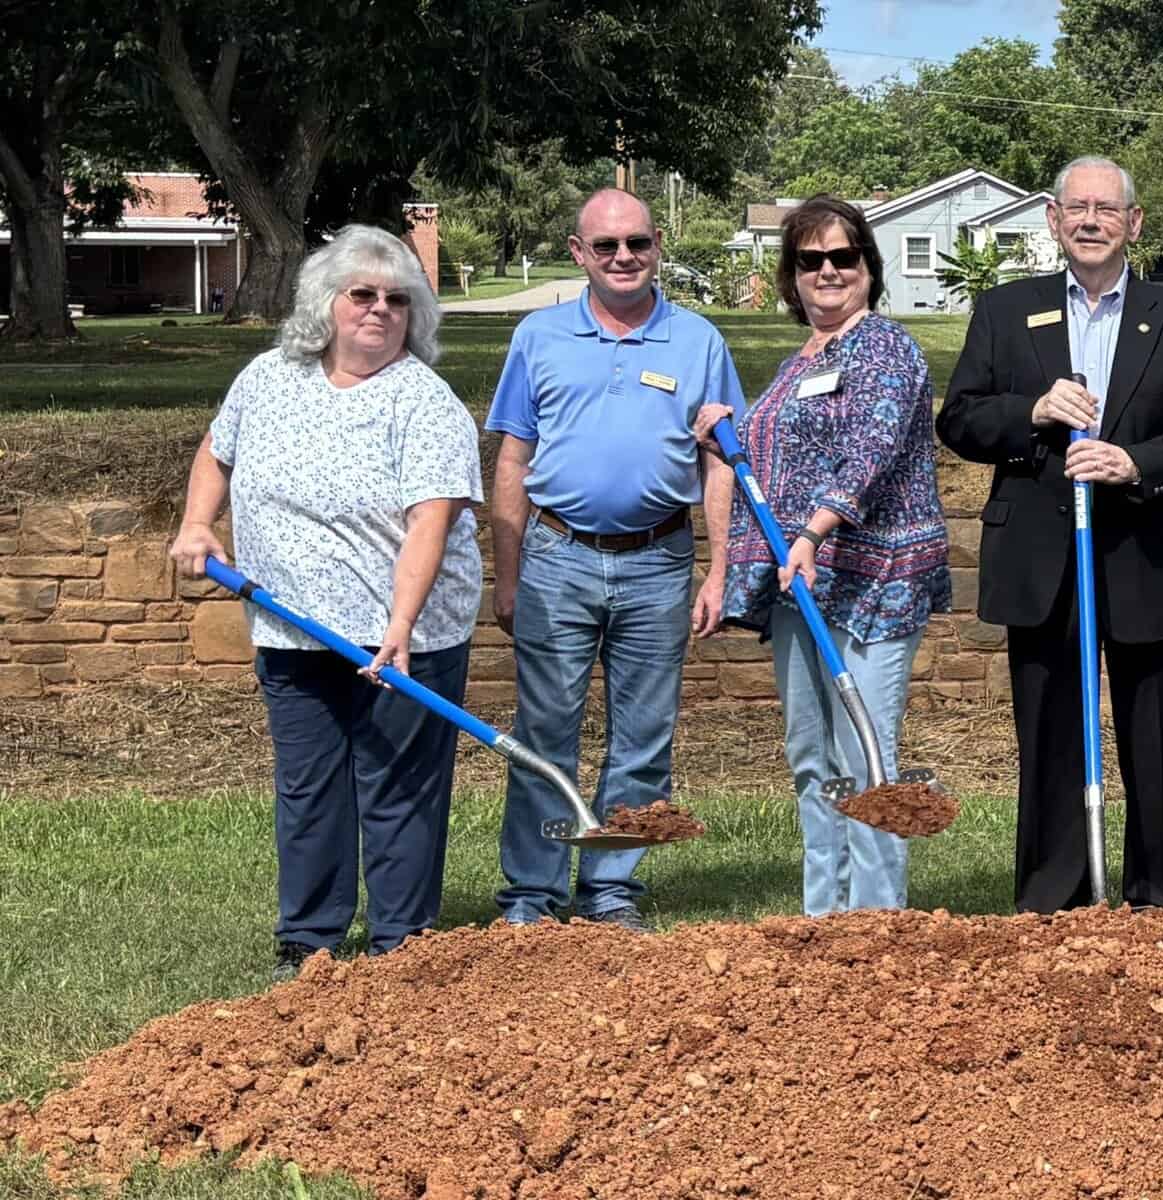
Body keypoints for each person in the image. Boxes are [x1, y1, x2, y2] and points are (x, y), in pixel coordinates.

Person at [167, 226, 482, 982]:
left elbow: (429, 523)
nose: (380, 310)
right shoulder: (269, 377)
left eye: (397, 299)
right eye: (362, 295)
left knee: (398, 788)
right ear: (326, 305)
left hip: (404, 636)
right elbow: (218, 447)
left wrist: (399, 628)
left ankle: (400, 947)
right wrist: (195, 522)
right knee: (308, 787)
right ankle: (307, 941)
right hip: (291, 626)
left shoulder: (423, 401)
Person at [938, 156, 1163, 912]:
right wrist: (1031, 414)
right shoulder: (1006, 311)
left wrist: (1134, 462)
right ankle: (1053, 894)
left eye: (1107, 209)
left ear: (1133, 223)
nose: (1091, 221)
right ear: (1052, 219)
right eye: (1077, 208)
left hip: (1146, 551)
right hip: (1042, 561)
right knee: (1048, 736)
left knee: (1159, 736)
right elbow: (961, 418)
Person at [485, 187, 744, 931]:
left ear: (658, 245)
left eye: (637, 243)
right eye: (606, 246)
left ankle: (610, 892)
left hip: (658, 559)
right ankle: (533, 894)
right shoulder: (539, 337)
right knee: (544, 736)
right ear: (578, 253)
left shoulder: (699, 342)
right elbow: (513, 457)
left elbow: (722, 461)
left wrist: (717, 567)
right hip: (557, 556)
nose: (623, 257)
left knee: (643, 737)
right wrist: (509, 573)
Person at [692, 197, 951, 915]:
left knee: (866, 758)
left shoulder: (886, 348)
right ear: (791, 276)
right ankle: (820, 917)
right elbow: (765, 476)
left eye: (844, 257)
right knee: (813, 760)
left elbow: (869, 451)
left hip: (871, 582)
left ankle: (874, 923)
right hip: (796, 589)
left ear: (868, 267)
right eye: (811, 261)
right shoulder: (792, 365)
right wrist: (726, 441)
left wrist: (811, 535)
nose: (828, 271)